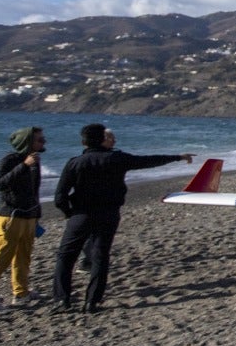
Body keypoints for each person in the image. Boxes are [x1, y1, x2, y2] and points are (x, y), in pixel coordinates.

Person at [51, 124, 192, 313]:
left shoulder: (75, 162)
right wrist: (178, 157)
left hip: (81, 214)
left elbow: (60, 197)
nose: (114, 140)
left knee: (66, 256)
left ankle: (62, 300)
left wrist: (70, 213)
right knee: (100, 256)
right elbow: (148, 161)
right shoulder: (116, 158)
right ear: (102, 139)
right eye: (109, 137)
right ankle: (92, 301)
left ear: (84, 141)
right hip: (108, 213)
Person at [0, 127, 46, 312]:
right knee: (0, 258)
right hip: (10, 217)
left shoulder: (36, 161)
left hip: (29, 216)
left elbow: (34, 190)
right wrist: (23, 166)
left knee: (24, 257)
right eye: (39, 140)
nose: (43, 142)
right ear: (27, 142)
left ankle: (21, 293)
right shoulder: (10, 160)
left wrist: (37, 215)